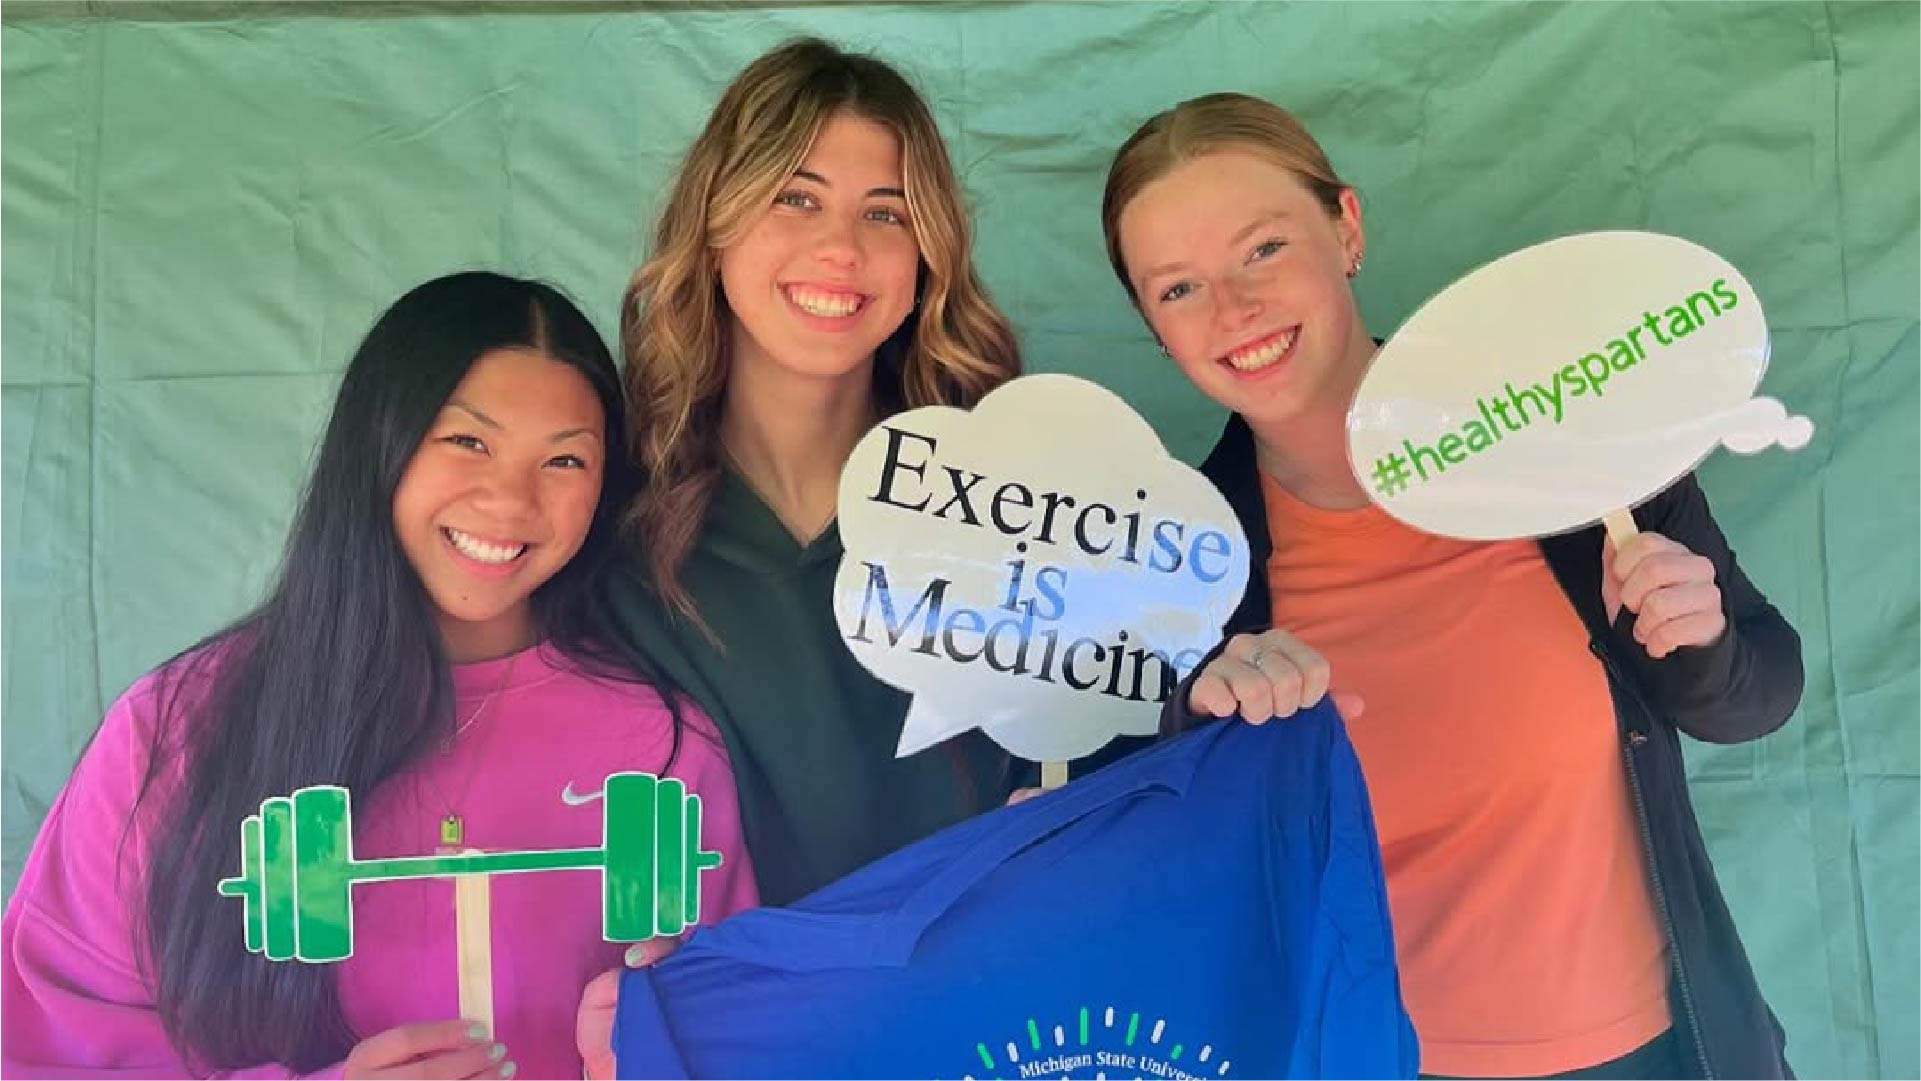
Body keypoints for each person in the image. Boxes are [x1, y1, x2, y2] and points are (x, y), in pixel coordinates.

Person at [1100, 93, 1802, 1079]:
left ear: (1345, 228)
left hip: (1656, 1049)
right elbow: (1131, 865)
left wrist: (1703, 640)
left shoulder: (1562, 434)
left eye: (1262, 250)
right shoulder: (1170, 564)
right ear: (1152, 326)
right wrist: (1193, 730)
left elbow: (1756, 698)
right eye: (1176, 288)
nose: (1232, 310)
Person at [2, 272, 758, 1080]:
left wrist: (667, 1060)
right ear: (380, 443)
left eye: (565, 459)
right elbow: (44, 1047)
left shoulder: (663, 743)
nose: (509, 500)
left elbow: (747, 1030)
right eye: (468, 441)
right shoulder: (177, 729)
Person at [604, 37, 1026, 908]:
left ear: (927, 259)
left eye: (885, 213)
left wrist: (1212, 697)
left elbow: (1123, 741)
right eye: (796, 198)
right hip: (726, 1027)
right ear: (715, 222)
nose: (840, 248)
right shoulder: (605, 523)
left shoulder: (1015, 504)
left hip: (985, 1019)